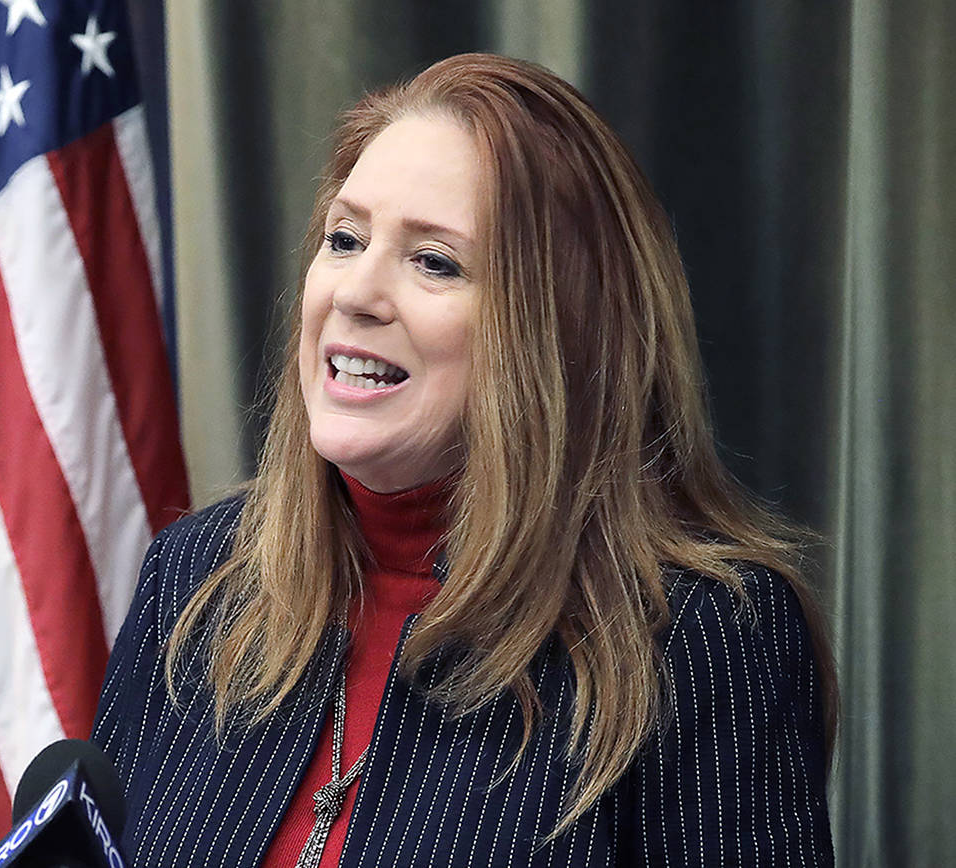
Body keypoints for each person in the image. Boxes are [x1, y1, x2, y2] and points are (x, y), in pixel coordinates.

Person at [92, 53, 836, 867]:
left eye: (433, 261)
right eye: (345, 239)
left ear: (560, 330)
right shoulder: (196, 579)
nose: (356, 293)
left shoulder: (700, 635)